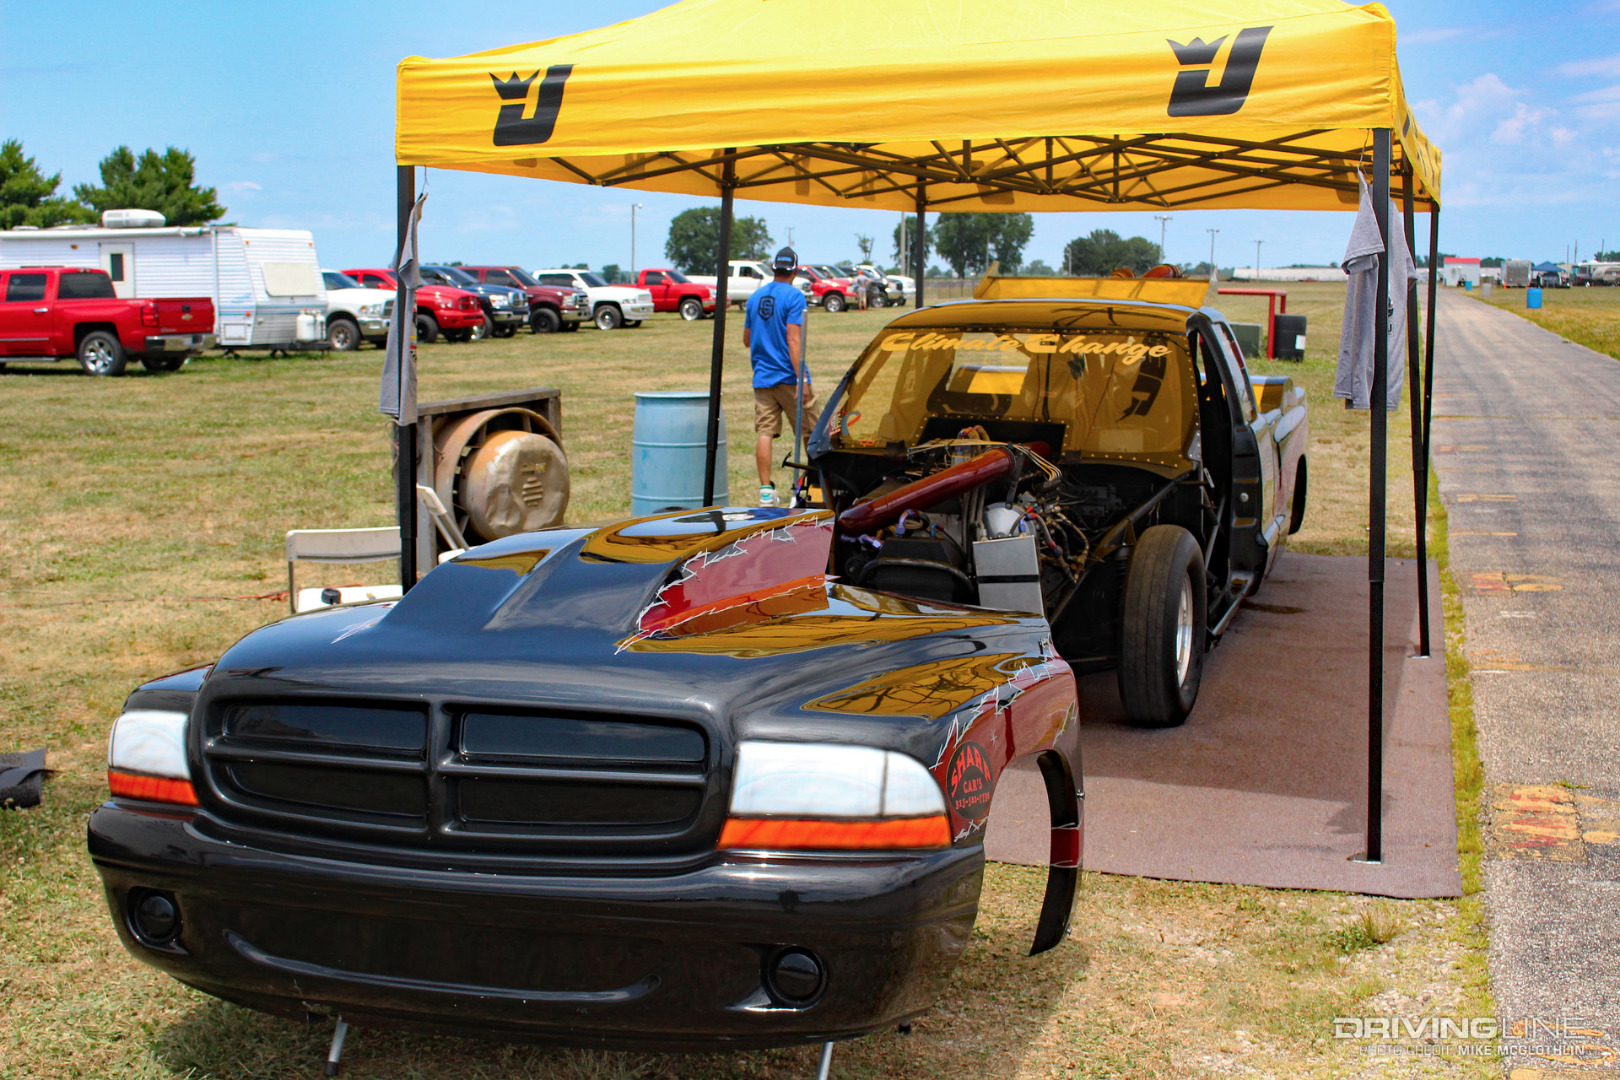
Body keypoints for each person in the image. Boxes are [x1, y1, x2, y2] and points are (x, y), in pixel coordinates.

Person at [743, 247, 813, 507]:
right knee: (810, 432)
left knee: (764, 432)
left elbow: (746, 339)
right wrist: (802, 379)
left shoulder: (754, 298)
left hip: (762, 377)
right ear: (794, 271)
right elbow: (793, 338)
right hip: (788, 376)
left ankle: (765, 491)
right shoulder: (795, 297)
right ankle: (810, 485)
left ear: (774, 269)